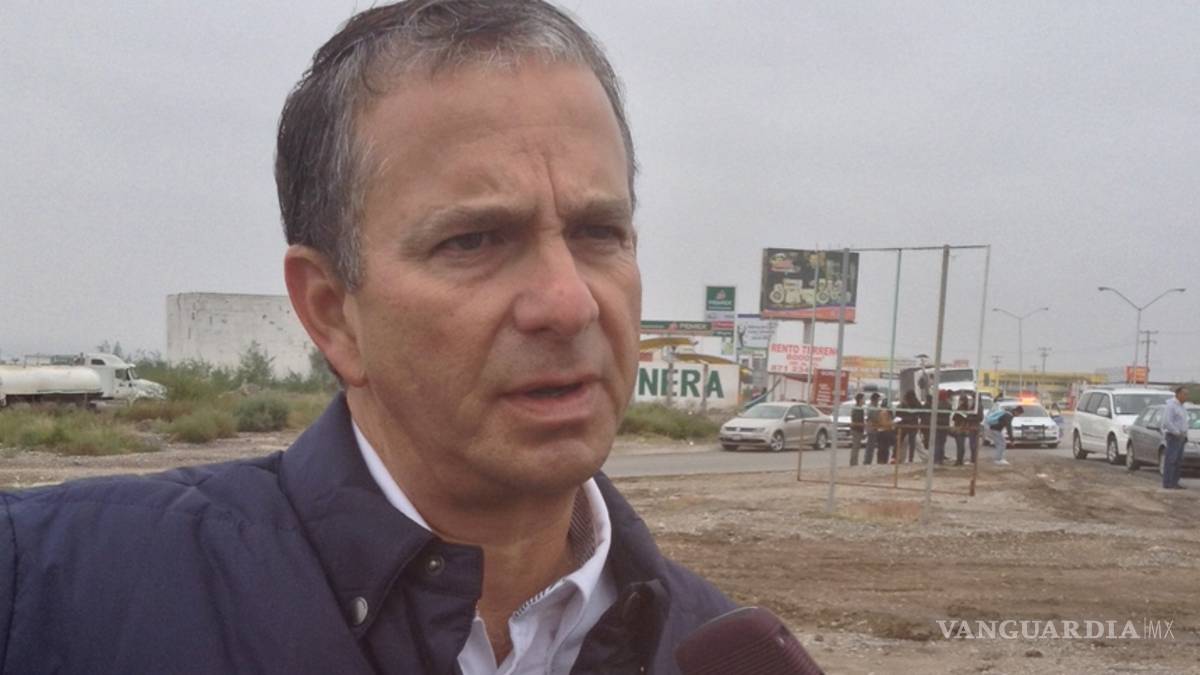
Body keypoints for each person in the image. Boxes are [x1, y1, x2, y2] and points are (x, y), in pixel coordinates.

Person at [0, 2, 736, 672]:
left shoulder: (721, 652)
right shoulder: (53, 591)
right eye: (474, 240)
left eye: (599, 232)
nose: (569, 304)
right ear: (331, 312)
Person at [1161, 386, 1190, 490]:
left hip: (1181, 436)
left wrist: (1185, 434)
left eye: (1187, 394)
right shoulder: (1171, 406)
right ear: (1178, 394)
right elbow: (1167, 422)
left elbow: (1183, 422)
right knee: (1171, 460)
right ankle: (1168, 483)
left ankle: (1174, 482)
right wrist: (1177, 432)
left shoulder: (1182, 407)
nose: (1186, 396)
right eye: (1184, 394)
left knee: (1178, 461)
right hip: (1173, 436)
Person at [951, 393, 981, 466]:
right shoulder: (968, 408)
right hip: (965, 428)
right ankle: (960, 460)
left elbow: (955, 418)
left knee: (960, 445)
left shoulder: (961, 408)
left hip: (960, 428)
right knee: (962, 445)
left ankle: (959, 460)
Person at [863, 392, 883, 465]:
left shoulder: (875, 407)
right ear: (875, 399)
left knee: (871, 446)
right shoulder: (871, 407)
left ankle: (868, 461)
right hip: (871, 428)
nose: (878, 401)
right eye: (878, 399)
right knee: (870, 446)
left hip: (875, 428)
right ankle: (867, 461)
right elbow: (873, 417)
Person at [849, 392, 866, 466]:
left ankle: (855, 462)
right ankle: (853, 463)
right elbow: (855, 420)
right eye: (863, 399)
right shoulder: (857, 408)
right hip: (856, 430)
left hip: (859, 430)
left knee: (857, 447)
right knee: (855, 447)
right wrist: (862, 424)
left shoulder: (860, 408)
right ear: (860, 399)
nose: (864, 400)